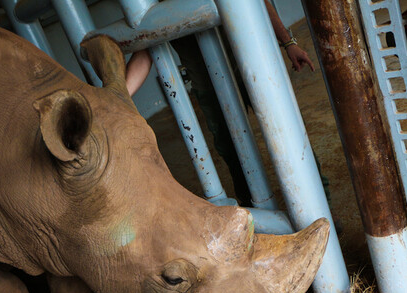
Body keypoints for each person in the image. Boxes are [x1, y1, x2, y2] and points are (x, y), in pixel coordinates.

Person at [125, 1, 331, 208]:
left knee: (288, 133)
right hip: (209, 85)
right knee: (232, 151)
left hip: (253, 66)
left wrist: (288, 43)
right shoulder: (151, 3)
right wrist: (118, 94)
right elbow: (146, 45)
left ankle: (321, 202)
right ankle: (256, 209)